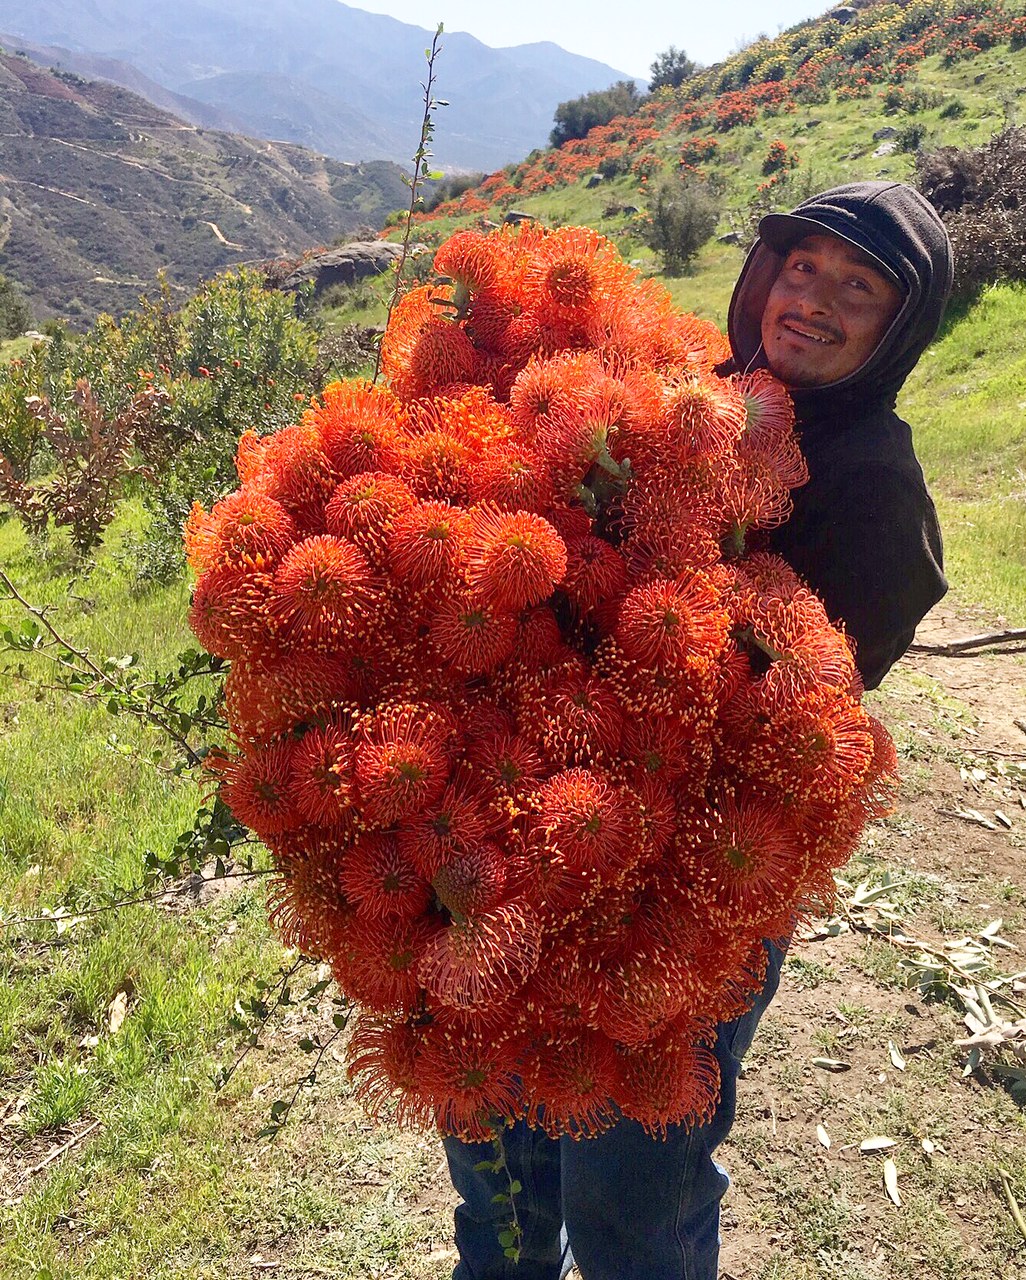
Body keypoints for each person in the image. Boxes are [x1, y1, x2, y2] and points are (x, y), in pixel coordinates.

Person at [441, 180, 953, 1280]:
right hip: (541, 831)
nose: (813, 299)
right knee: (503, 1130)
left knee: (635, 1185)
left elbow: (798, 722)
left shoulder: (875, 491)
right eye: (803, 266)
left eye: (859, 288)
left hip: (691, 889)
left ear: (899, 324)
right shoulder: (699, 398)